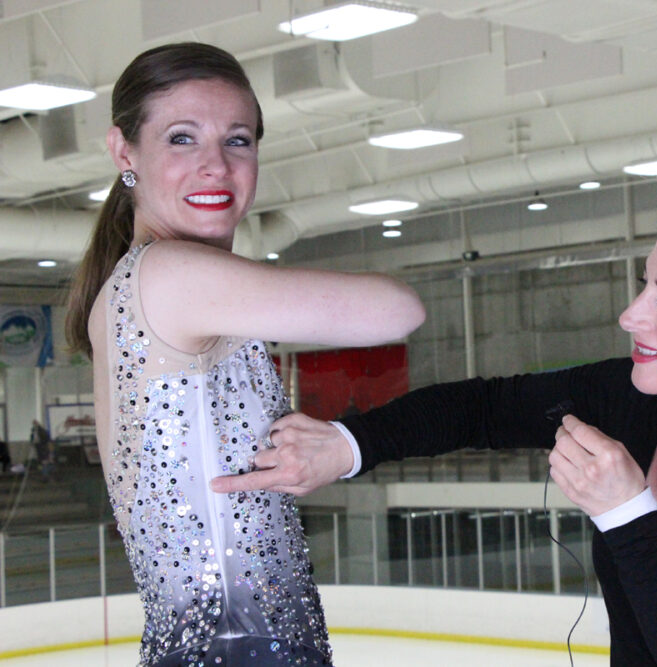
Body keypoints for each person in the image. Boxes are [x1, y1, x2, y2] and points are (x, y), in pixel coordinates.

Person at [215, 162, 657, 665]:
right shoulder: (629, 399)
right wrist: (346, 443)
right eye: (643, 285)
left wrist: (629, 515)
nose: (631, 315)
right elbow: (480, 407)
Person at [65, 42, 425, 666]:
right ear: (125, 152)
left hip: (231, 640)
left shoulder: (148, 281)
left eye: (237, 140)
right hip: (239, 644)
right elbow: (399, 310)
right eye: (182, 138)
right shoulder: (170, 275)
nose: (215, 165)